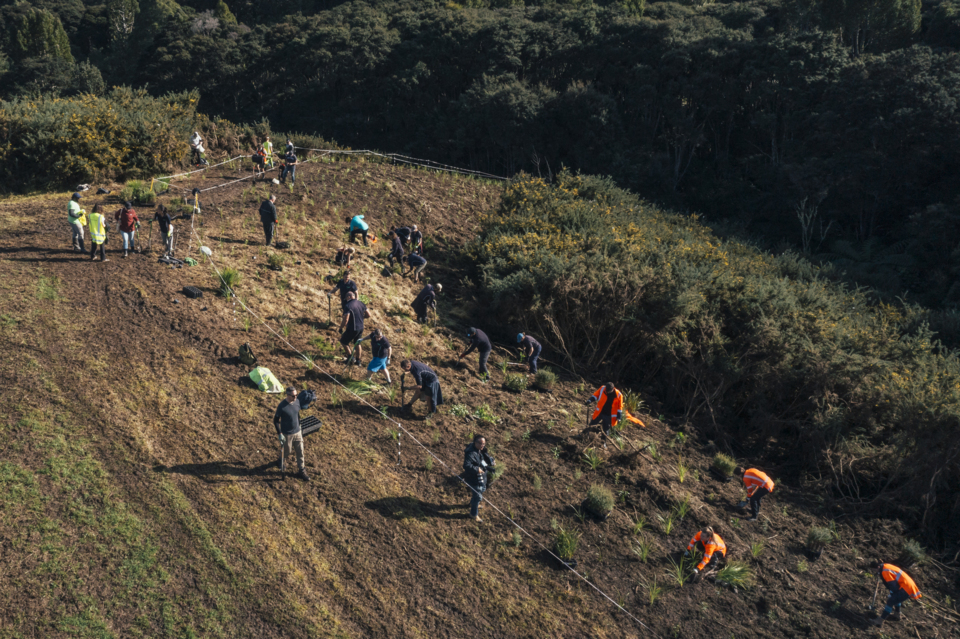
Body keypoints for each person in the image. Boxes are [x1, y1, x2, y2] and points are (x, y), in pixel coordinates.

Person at [870, 560, 922, 627]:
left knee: (891, 601)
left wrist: (892, 593)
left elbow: (893, 586)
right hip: (907, 585)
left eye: (874, 570)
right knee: (896, 598)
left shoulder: (885, 572)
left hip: (905, 587)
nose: (875, 572)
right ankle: (897, 615)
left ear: (878, 567)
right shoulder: (886, 566)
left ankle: (879, 621)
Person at [273, 386, 309, 481]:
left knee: (300, 451)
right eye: (293, 396)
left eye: (296, 395)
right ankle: (280, 460)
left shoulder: (297, 402)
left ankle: (302, 470)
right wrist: (280, 433)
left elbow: (297, 414)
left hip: (298, 432)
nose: (295, 397)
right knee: (287, 451)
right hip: (287, 434)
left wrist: (299, 425)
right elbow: (275, 420)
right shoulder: (282, 406)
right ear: (287, 395)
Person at [463, 434, 496, 523]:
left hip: (482, 477)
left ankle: (473, 503)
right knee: (478, 496)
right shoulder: (470, 453)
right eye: (480, 443)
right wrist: (476, 469)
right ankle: (473, 514)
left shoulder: (480, 450)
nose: (482, 445)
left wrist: (491, 462)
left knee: (482, 490)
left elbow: (483, 460)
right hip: (474, 478)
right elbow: (466, 465)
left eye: (484, 444)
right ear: (475, 442)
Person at [338, 291, 369, 364]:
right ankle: (358, 361)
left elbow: (346, 320)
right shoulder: (361, 303)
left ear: (349, 297)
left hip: (352, 328)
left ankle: (351, 358)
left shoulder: (348, 305)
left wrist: (341, 327)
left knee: (343, 341)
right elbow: (369, 315)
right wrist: (361, 317)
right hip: (361, 327)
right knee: (357, 343)